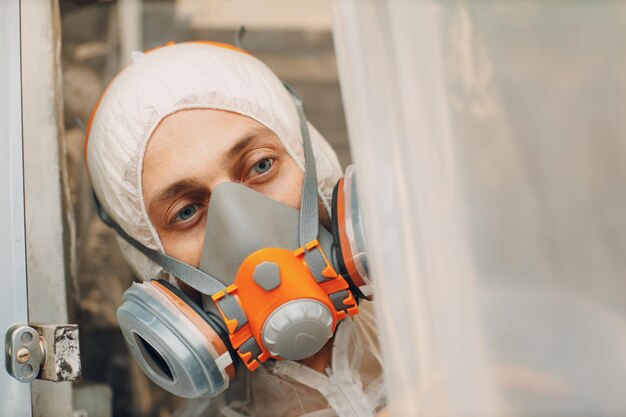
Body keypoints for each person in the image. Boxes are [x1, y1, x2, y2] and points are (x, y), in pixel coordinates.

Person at [85, 41, 385, 416]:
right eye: (187, 211)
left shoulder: (461, 326)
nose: (243, 228)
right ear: (151, 263)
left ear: (313, 163)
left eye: (261, 166)